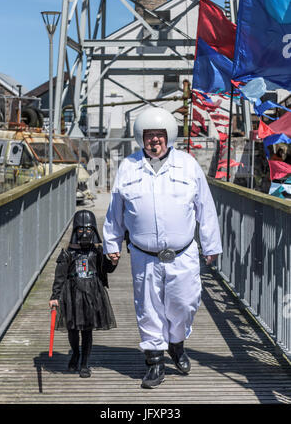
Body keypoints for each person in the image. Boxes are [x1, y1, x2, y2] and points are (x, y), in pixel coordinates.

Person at [103, 107, 222, 389]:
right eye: (149, 135)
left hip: (183, 253)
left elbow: (205, 207)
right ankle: (155, 360)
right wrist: (112, 243)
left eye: (159, 135)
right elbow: (115, 210)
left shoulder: (188, 164)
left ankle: (176, 344)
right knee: (148, 308)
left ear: (168, 136)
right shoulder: (128, 167)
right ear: (140, 138)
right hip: (144, 256)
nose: (154, 140)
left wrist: (211, 244)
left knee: (185, 302)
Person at [49, 209, 117, 378]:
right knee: (72, 329)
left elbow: (106, 269)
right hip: (72, 295)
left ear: (93, 230)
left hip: (92, 295)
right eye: (81, 230)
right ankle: (75, 353)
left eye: (88, 230)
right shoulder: (67, 254)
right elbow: (60, 276)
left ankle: (85, 363)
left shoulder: (97, 252)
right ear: (75, 231)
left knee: (87, 330)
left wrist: (113, 261)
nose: (85, 233)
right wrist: (55, 296)